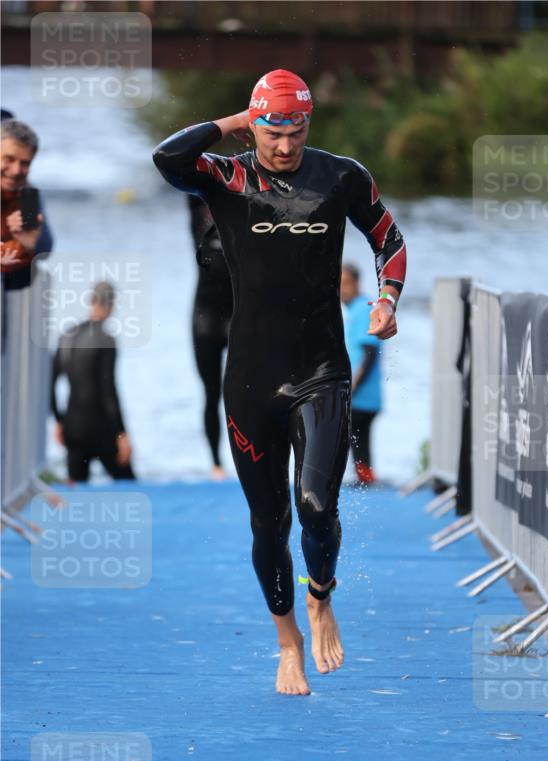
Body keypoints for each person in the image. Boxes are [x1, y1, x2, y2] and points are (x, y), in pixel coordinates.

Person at [153, 68, 406, 696]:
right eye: (273, 131)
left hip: (321, 370)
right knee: (268, 523)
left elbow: (388, 237)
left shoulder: (340, 175)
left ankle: (322, 596)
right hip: (251, 379)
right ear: (255, 126)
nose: (285, 146)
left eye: (296, 131)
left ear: (308, 126)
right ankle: (287, 639)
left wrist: (388, 298)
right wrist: (237, 122)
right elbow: (167, 156)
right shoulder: (228, 176)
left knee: (317, 505)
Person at [50, 281, 136, 483]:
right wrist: (121, 433)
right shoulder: (106, 340)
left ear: (91, 301)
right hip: (101, 428)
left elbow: (50, 383)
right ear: (112, 304)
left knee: (77, 491)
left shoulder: (66, 336)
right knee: (129, 486)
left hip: (73, 427)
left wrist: (59, 420)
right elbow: (109, 392)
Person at [187, 193, 234, 479]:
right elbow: (174, 159)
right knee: (211, 393)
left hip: (238, 314)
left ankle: (253, 456)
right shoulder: (197, 211)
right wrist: (210, 143)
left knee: (247, 392)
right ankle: (216, 463)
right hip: (205, 317)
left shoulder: (244, 209)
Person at [341, 262, 383, 485]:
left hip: (362, 394)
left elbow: (369, 354)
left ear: (356, 283)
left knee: (352, 437)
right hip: (363, 394)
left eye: (345, 284)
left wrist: (353, 386)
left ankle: (365, 479)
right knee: (358, 439)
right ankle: (365, 478)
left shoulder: (363, 309)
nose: (341, 290)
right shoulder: (356, 309)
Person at [1, 117, 53, 289]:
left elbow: (23, 279)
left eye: (25, 163)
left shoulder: (27, 197)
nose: (16, 171)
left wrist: (27, 246)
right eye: (8, 159)